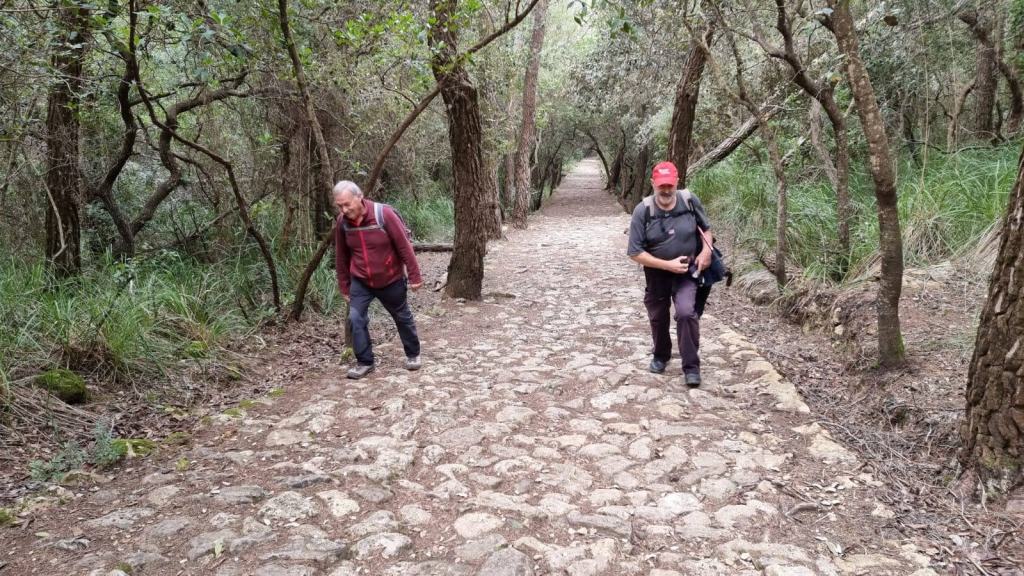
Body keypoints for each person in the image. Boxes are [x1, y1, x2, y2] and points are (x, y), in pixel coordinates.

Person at [626, 161, 714, 387]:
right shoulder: (643, 211)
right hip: (656, 274)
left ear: (676, 182)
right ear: (653, 183)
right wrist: (667, 265)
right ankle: (661, 355)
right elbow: (635, 252)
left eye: (669, 185)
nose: (665, 190)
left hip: (687, 271)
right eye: (661, 185)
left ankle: (691, 367)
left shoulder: (689, 201)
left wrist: (706, 252)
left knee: (686, 313)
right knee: (658, 317)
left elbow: (706, 229)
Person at [334, 180, 423, 379]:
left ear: (360, 197)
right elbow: (341, 256)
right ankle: (365, 362)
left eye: (347, 204)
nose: (344, 209)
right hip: (361, 280)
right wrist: (344, 286)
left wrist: (415, 275)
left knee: (401, 315)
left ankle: (413, 354)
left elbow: (404, 246)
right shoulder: (342, 223)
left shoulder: (383, 215)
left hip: (390, 277)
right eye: (339, 205)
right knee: (355, 318)